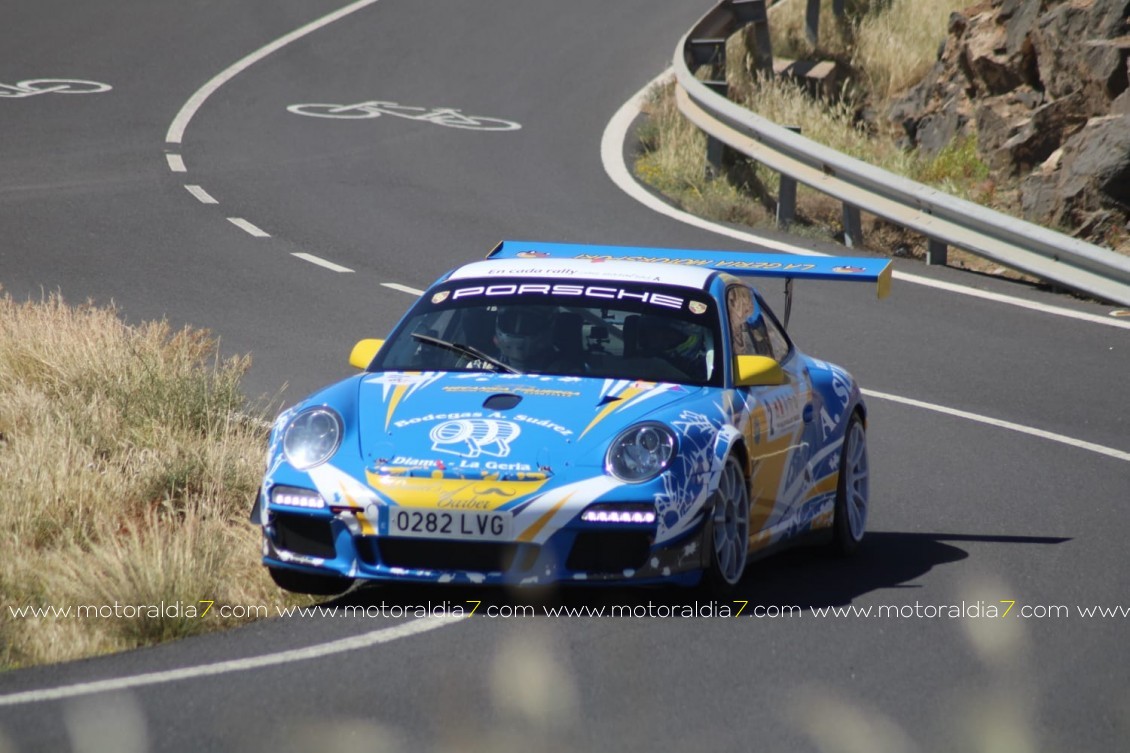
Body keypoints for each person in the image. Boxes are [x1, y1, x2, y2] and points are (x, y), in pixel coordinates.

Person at [492, 306, 559, 372]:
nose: (517, 331)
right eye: (511, 322)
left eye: (528, 324)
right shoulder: (488, 362)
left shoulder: (561, 370)